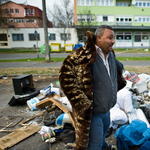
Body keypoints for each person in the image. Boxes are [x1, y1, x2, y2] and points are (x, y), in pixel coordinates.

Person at [59, 25, 124, 150]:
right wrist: (83, 104)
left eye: (113, 38)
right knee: (93, 145)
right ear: (99, 38)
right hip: (93, 114)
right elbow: (65, 78)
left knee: (101, 139)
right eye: (110, 38)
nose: (113, 41)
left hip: (107, 111)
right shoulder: (82, 55)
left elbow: (115, 71)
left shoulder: (109, 54)